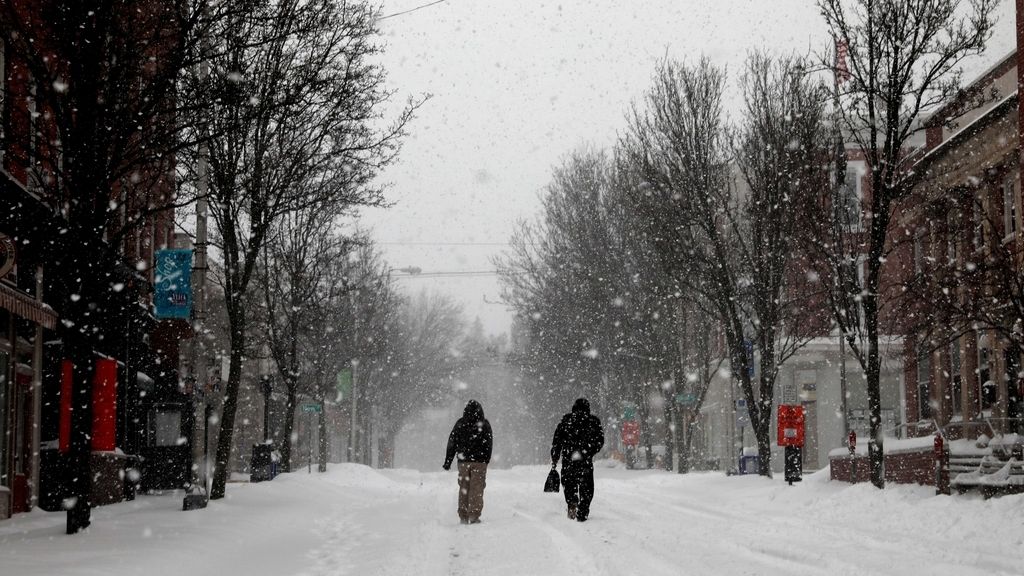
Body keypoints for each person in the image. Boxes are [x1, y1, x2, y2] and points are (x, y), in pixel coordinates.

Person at [551, 398, 604, 522]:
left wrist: (555, 456)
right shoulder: (593, 422)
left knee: (569, 483)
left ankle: (572, 502)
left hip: (569, 459)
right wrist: (588, 451)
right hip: (585, 460)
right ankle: (583, 510)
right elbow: (599, 441)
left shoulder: (566, 421)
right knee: (587, 486)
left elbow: (557, 441)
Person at [443, 400, 493, 524]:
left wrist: (448, 461)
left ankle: (463, 515)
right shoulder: (484, 424)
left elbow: (452, 442)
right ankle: (474, 515)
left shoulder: (460, 423)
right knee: (477, 488)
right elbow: (489, 443)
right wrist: (486, 459)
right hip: (479, 462)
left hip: (463, 462)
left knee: (464, 487)